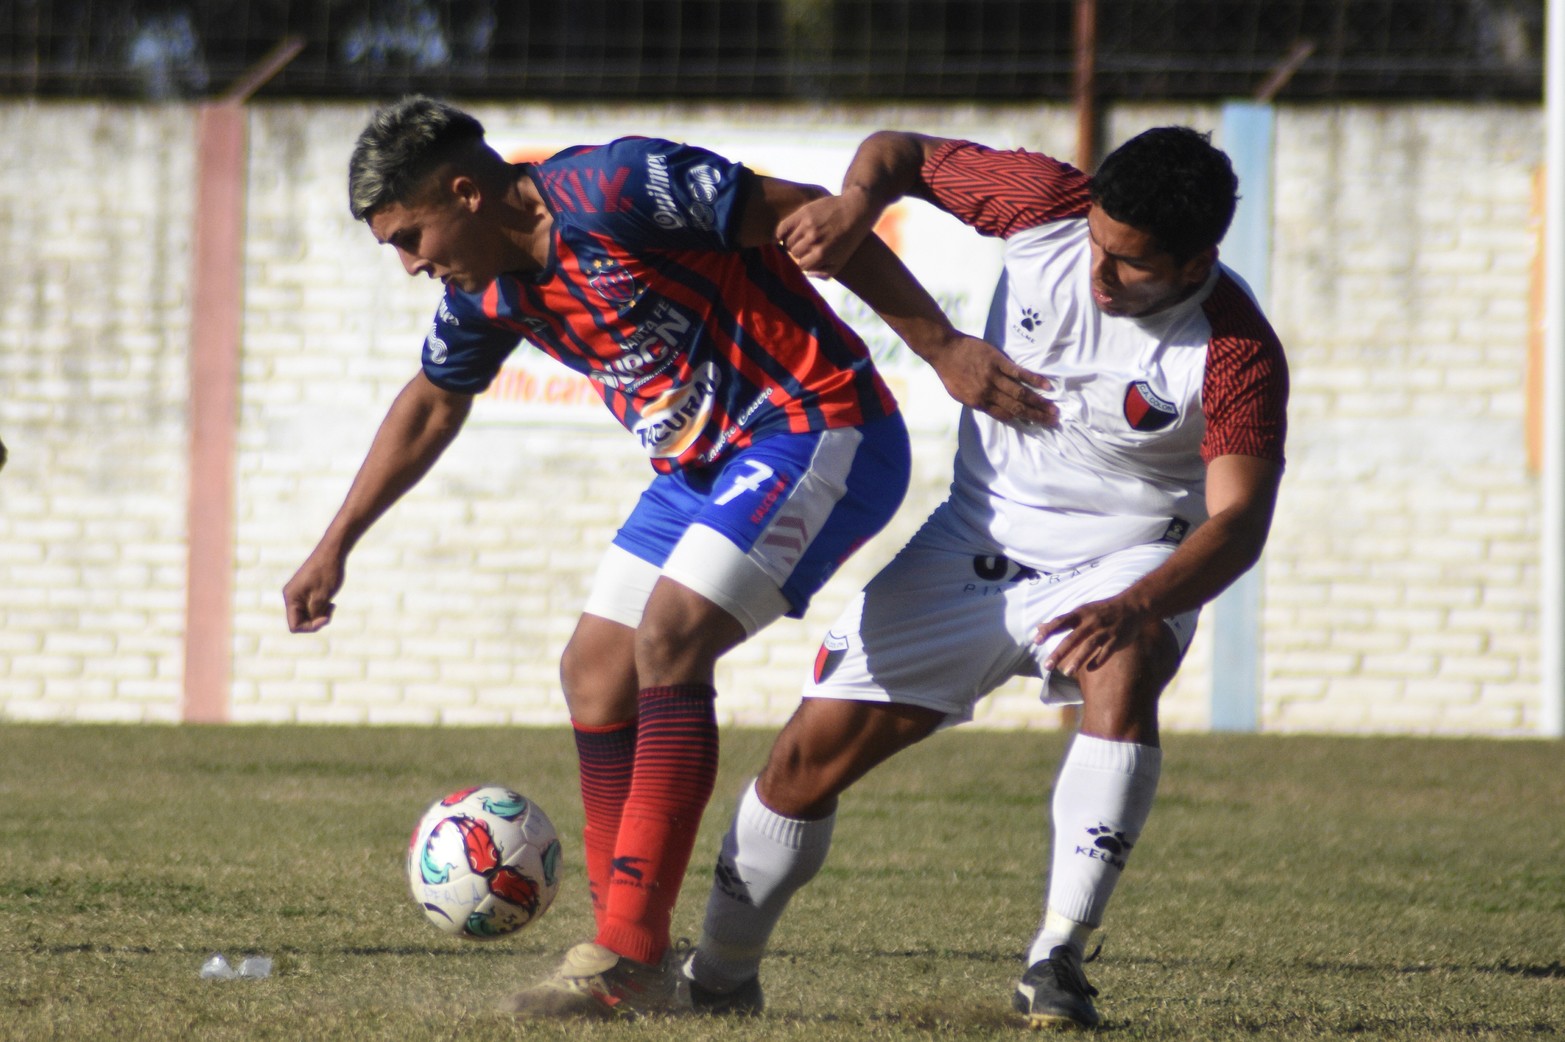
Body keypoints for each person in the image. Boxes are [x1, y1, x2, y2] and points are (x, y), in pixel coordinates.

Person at [281, 97, 1055, 1020]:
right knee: (594, 672)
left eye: (410, 236)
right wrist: (335, 545)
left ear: (465, 193)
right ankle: (615, 945)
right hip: (698, 466)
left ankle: (628, 956)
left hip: (815, 422)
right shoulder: (482, 290)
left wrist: (940, 346)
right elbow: (431, 402)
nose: (412, 264)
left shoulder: (613, 187)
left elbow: (812, 209)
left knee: (671, 635)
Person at [680, 126, 1289, 1029]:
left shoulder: (1234, 351)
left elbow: (1237, 521)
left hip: (1125, 557)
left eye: (1130, 266)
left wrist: (1140, 602)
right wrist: (863, 220)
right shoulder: (1043, 204)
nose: (1100, 277)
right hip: (972, 535)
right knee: (806, 761)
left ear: (1198, 255)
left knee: (1120, 665)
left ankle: (1057, 957)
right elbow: (899, 154)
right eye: (1097, 246)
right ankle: (719, 976)